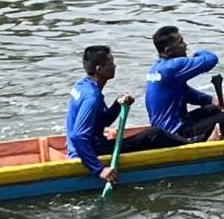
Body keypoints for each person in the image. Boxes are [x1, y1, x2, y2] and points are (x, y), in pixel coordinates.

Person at [66, 46, 187, 185]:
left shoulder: (81, 85)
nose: (115, 66)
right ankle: (195, 145)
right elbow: (78, 136)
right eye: (111, 64)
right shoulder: (92, 97)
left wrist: (118, 104)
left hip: (84, 145)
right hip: (89, 150)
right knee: (154, 134)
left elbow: (102, 121)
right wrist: (99, 169)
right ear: (99, 69)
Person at [146, 26, 224, 141]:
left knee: (214, 109)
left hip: (165, 128)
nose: (185, 45)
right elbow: (211, 59)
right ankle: (209, 143)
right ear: (168, 51)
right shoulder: (173, 66)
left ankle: (212, 136)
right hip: (174, 133)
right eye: (180, 43)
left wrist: (210, 100)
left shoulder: (155, 69)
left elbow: (185, 93)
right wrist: (197, 54)